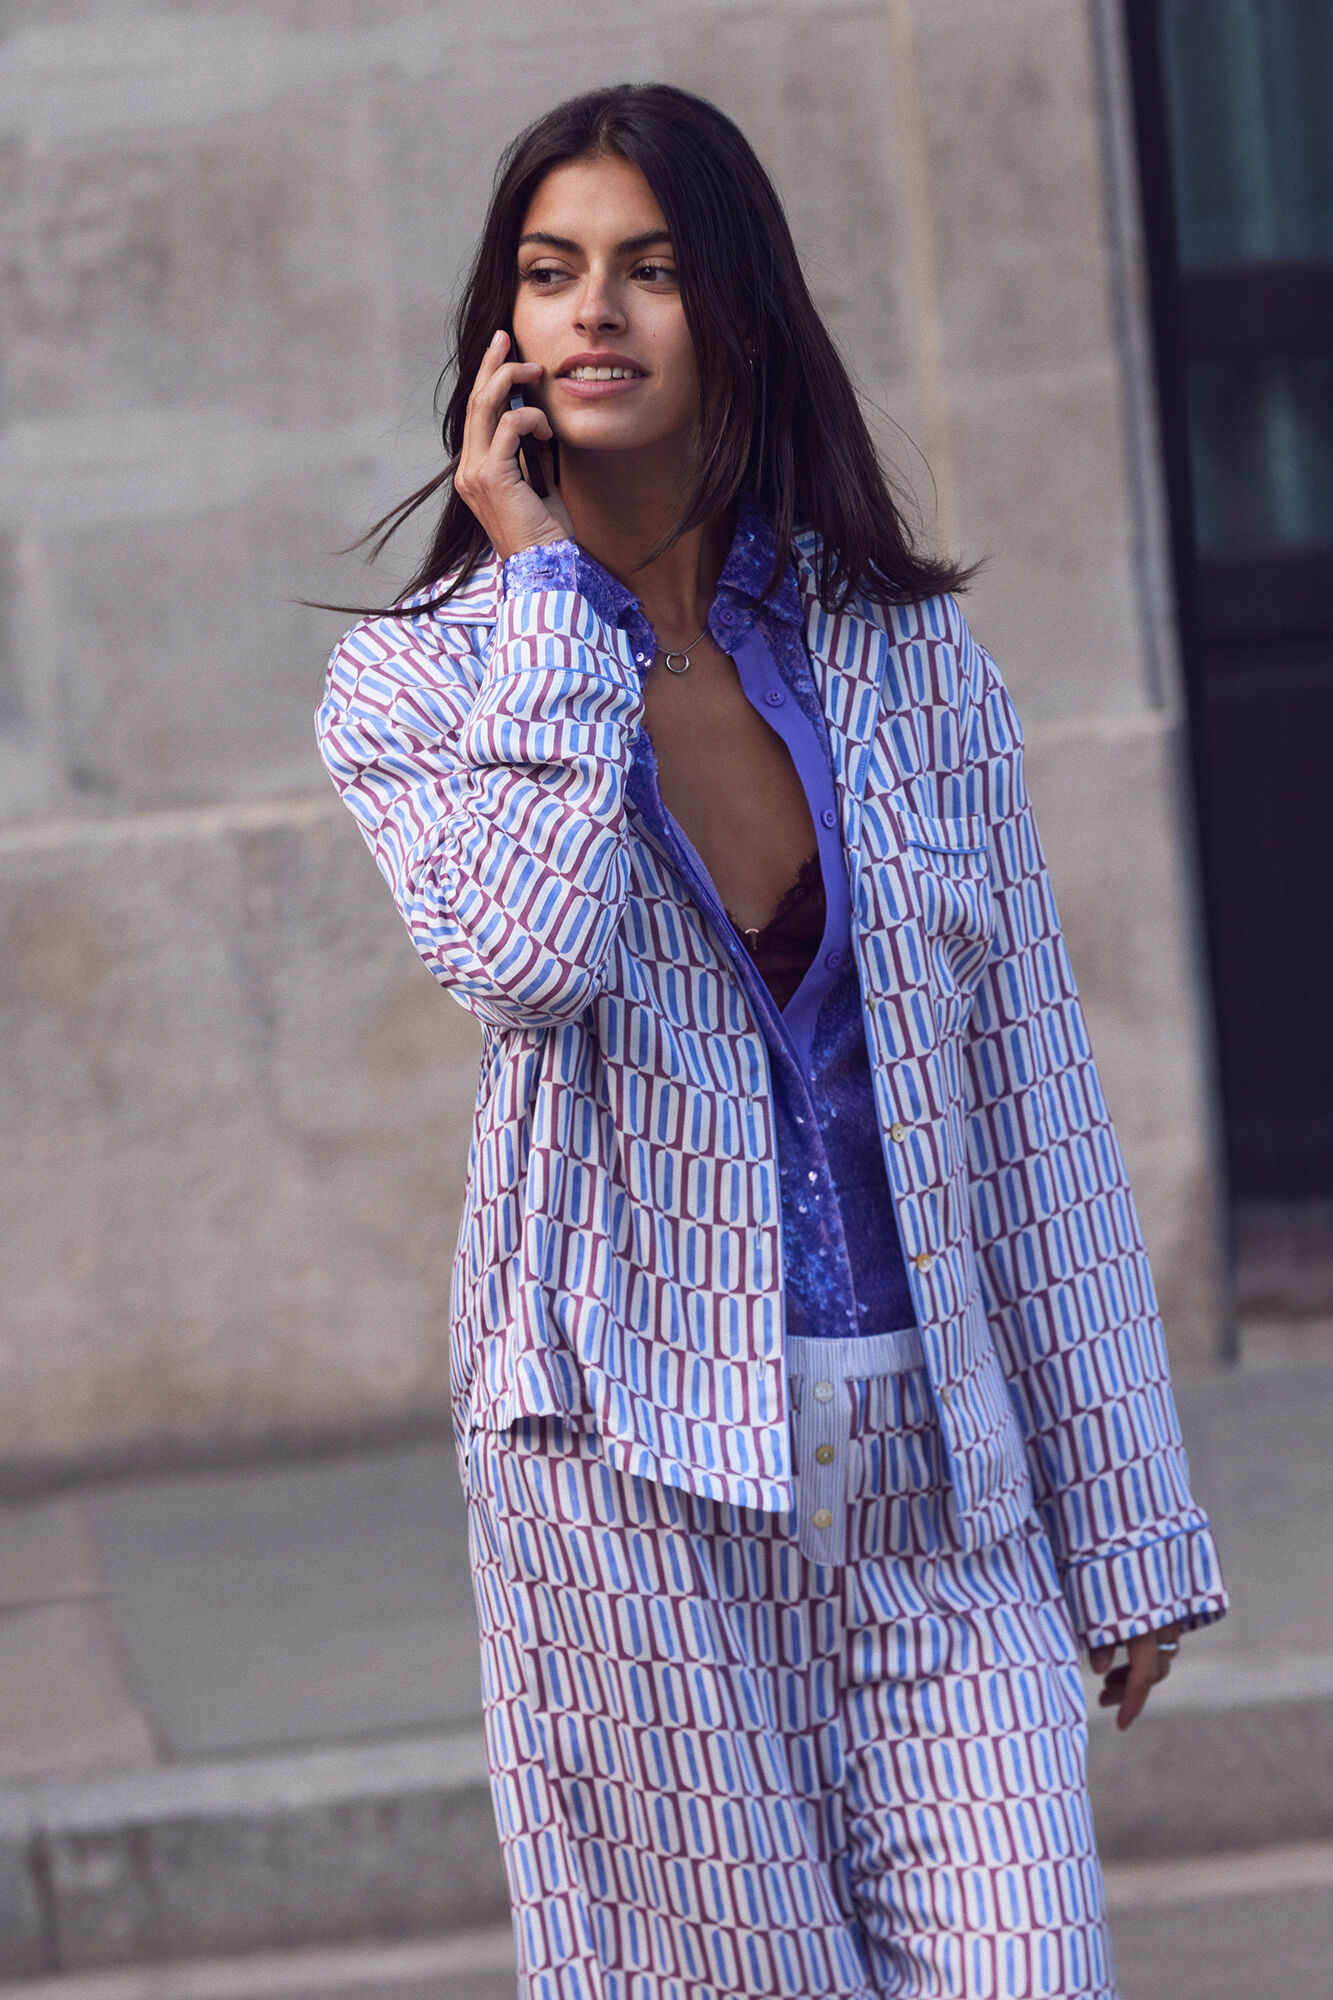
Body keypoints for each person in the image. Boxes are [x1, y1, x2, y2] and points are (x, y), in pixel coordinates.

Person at [316, 82, 1226, 2000]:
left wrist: (1124, 1517)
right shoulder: (416, 681)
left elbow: (1031, 1095)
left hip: (934, 1482)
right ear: (501, 333)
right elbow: (521, 956)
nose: (592, 311)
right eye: (550, 272)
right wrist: (547, 593)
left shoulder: (905, 658)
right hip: (631, 1493)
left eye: (648, 268)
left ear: (736, 308)